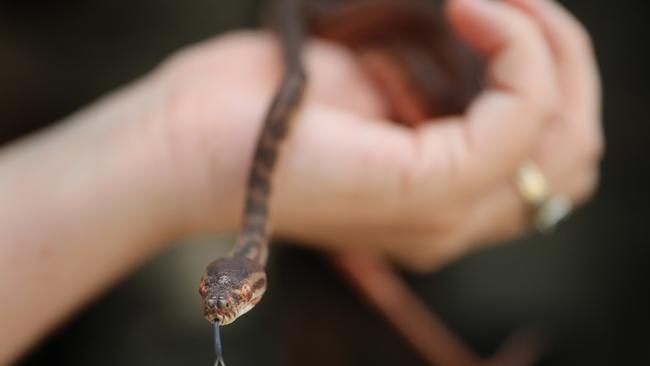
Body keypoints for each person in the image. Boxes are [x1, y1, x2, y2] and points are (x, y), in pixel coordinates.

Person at [0, 0, 601, 363]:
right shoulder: (246, 247)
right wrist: (186, 153)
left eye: (229, 298)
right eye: (224, 299)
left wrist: (183, 151)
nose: (220, 307)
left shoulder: (250, 238)